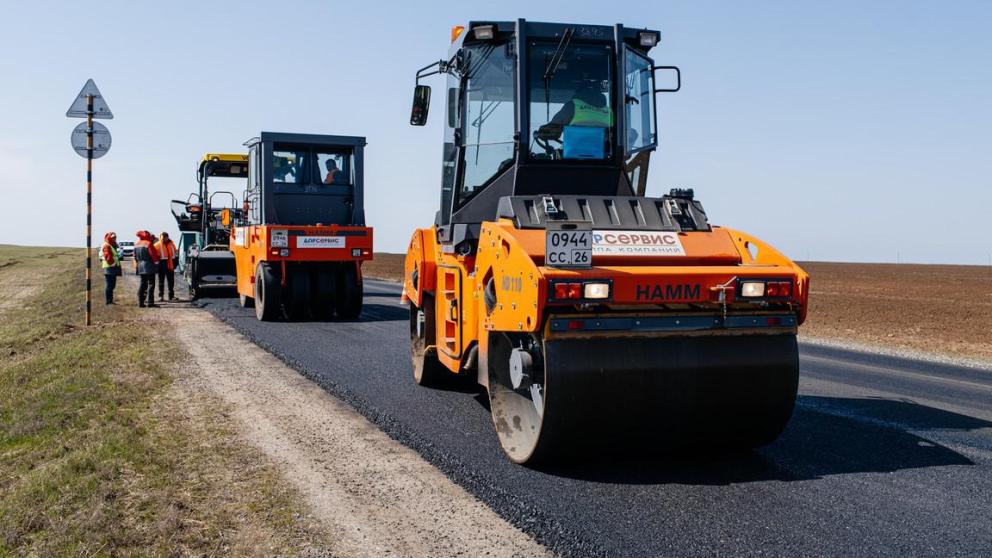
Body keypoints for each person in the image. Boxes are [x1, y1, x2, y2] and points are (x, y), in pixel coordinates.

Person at [535, 80, 613, 158]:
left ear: (579, 91)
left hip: (574, 157)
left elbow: (553, 131)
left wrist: (542, 132)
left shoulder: (573, 105)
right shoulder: (609, 111)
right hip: (603, 158)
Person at [133, 230, 160, 308]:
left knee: (142, 284)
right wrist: (157, 263)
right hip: (149, 267)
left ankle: (141, 302)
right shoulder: (148, 244)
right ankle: (150, 303)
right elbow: (153, 255)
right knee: (151, 284)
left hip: (140, 267)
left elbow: (134, 256)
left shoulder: (136, 244)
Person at [154, 232, 178, 301]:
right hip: (161, 264)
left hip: (170, 264)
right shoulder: (157, 245)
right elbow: (154, 256)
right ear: (162, 238)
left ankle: (171, 296)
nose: (166, 239)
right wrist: (156, 265)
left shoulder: (172, 244)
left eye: (166, 237)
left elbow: (175, 254)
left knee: (171, 281)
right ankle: (161, 296)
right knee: (161, 281)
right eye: (164, 238)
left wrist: (175, 263)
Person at [100, 231, 122, 305]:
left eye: (115, 237)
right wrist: (113, 264)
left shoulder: (111, 244)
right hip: (109, 267)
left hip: (111, 267)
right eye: (113, 237)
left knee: (112, 285)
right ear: (109, 237)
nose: (114, 239)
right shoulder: (107, 245)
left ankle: (110, 300)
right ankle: (108, 301)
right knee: (109, 285)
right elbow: (108, 257)